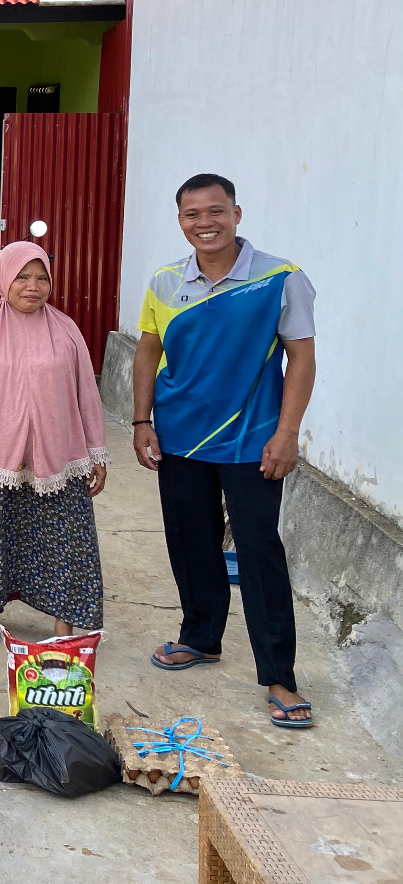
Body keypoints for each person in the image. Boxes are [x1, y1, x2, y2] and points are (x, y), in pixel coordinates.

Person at [134, 173, 317, 730]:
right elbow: (147, 351)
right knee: (191, 541)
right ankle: (201, 637)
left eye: (215, 211)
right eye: (192, 215)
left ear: (237, 213)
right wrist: (142, 420)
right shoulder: (166, 282)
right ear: (180, 221)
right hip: (181, 437)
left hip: (251, 440)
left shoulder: (282, 279)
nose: (204, 223)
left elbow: (301, 359)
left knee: (260, 551)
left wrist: (287, 434)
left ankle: (279, 675)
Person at [0, 242, 108, 646]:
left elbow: (86, 395)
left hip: (57, 459)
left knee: (63, 539)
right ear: (4, 278)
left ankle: (64, 630)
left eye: (41, 277)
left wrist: (96, 452)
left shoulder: (66, 330)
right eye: (23, 277)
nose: (33, 286)